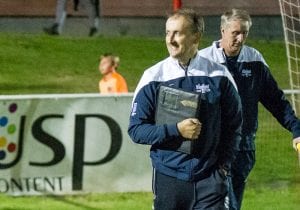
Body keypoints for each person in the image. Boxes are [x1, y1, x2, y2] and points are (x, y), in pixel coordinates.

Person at [128, 8, 243, 210]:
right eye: (167, 33)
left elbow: (234, 125)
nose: (170, 39)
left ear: (195, 36)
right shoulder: (153, 76)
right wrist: (176, 130)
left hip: (211, 179)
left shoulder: (219, 75)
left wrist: (223, 167)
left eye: (177, 33)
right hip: (169, 178)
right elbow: (136, 130)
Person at [198, 8, 300, 210]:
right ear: (222, 30)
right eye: (235, 32)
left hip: (243, 148)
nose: (240, 38)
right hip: (211, 149)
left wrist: (296, 129)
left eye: (244, 32)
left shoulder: (254, 60)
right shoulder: (202, 61)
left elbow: (276, 101)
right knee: (222, 201)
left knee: (232, 201)